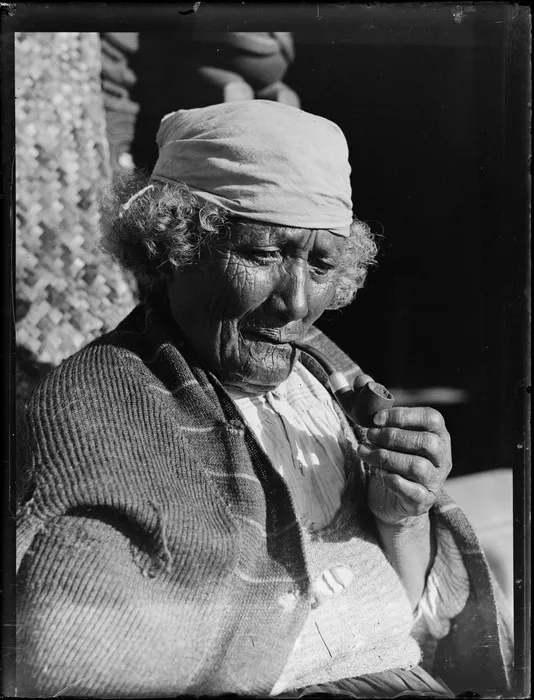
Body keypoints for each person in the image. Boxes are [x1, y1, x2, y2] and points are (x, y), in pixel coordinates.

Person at [16, 100, 512, 698]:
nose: (298, 304)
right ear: (173, 247)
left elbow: (414, 630)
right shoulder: (97, 407)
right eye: (261, 254)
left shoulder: (330, 383)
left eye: (322, 263)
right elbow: (73, 661)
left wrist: (400, 519)